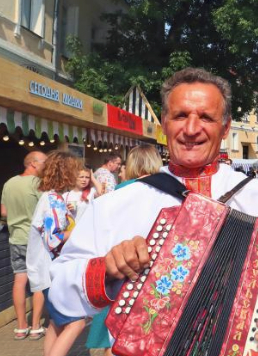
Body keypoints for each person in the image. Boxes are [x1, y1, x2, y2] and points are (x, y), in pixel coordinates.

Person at [49, 68, 258, 355]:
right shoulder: (119, 202)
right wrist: (105, 269)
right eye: (180, 116)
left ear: (225, 127)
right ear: (164, 123)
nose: (191, 129)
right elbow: (60, 296)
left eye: (206, 117)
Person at [86, 143, 163, 356]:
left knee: (113, 339)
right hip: (153, 281)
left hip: (117, 277)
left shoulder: (115, 194)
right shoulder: (169, 194)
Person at [27, 151, 87, 356]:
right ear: (66, 172)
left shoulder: (51, 197)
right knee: (76, 322)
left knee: (55, 324)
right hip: (52, 273)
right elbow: (54, 239)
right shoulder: (52, 199)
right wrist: (78, 229)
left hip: (48, 272)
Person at [0, 150, 47, 341]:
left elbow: (3, 212)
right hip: (34, 239)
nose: (46, 164)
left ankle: (21, 327)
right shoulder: (38, 184)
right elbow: (45, 212)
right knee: (38, 282)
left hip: (16, 238)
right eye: (44, 161)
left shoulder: (9, 183)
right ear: (33, 163)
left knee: (19, 280)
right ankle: (36, 326)